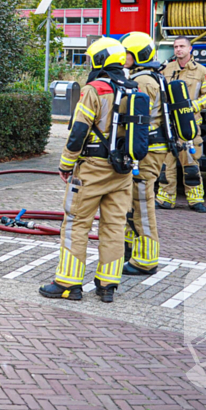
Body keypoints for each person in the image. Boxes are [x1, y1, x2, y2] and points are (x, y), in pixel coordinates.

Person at [39, 37, 136, 303]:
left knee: (75, 223)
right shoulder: (132, 89)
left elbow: (79, 129)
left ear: (99, 60)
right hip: (123, 171)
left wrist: (66, 164)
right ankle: (107, 286)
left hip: (92, 169)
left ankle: (68, 284)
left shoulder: (95, 88)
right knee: (115, 227)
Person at [119, 32, 166, 276]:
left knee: (142, 206)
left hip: (147, 153)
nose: (121, 56)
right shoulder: (144, 77)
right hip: (147, 150)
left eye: (125, 52)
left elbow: (139, 121)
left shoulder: (144, 82)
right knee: (132, 204)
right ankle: (132, 251)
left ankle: (146, 260)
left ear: (136, 55)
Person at [158, 36, 206, 211]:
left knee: (191, 163)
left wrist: (194, 105)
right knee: (166, 164)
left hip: (189, 125)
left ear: (190, 49)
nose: (178, 49)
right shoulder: (166, 69)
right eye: (176, 46)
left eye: (182, 46)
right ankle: (165, 199)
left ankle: (195, 200)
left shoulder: (201, 71)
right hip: (168, 126)